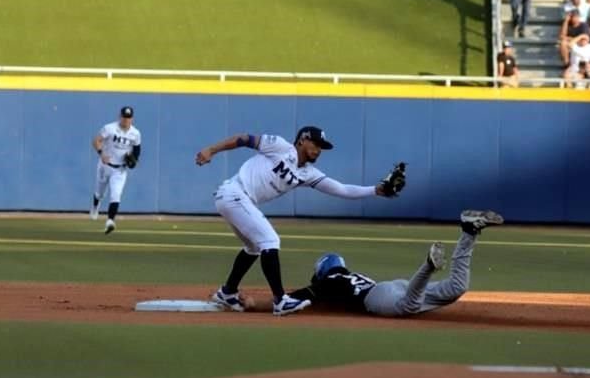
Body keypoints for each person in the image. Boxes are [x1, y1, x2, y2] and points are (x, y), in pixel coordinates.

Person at [195, 126, 402, 316]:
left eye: (322, 147)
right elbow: (243, 139)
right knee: (270, 241)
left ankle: (227, 292)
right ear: (302, 140)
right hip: (234, 193)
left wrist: (376, 190)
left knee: (254, 247)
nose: (319, 149)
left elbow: (342, 189)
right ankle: (280, 300)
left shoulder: (308, 173)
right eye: (316, 144)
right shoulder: (280, 146)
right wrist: (211, 150)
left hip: (239, 200)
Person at [280, 211, 504, 318]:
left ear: (323, 271)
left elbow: (308, 293)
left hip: (380, 297)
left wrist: (284, 299)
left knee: (409, 306)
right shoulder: (349, 275)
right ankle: (469, 231)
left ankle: (428, 265)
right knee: (457, 287)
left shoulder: (332, 280)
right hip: (393, 287)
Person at [89, 106, 141, 235]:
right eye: (124, 117)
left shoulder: (136, 134)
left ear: (132, 119)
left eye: (128, 118)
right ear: (120, 116)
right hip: (104, 165)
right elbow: (96, 141)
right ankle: (95, 205)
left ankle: (110, 221)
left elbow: (137, 151)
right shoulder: (110, 128)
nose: (126, 120)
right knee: (99, 193)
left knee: (116, 195)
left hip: (120, 170)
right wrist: (101, 154)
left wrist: (134, 161)